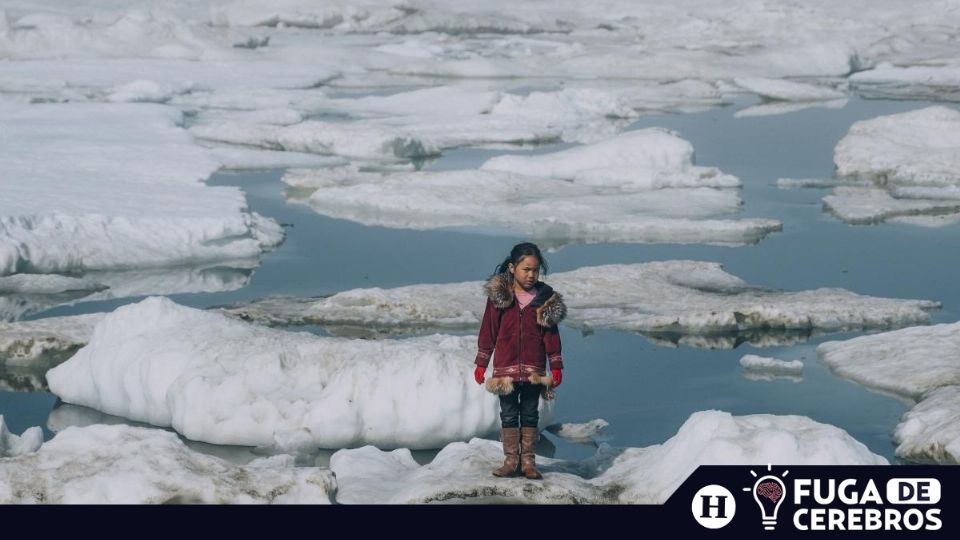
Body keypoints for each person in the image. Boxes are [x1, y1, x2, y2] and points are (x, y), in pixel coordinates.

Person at [474, 242, 567, 480]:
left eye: (535, 270)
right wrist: (482, 362)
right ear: (512, 267)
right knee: (508, 413)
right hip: (505, 368)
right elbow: (488, 330)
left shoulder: (545, 299)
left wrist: (555, 365)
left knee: (529, 413)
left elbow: (551, 335)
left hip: (534, 369)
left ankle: (528, 462)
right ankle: (510, 460)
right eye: (526, 269)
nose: (531, 275)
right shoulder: (500, 296)